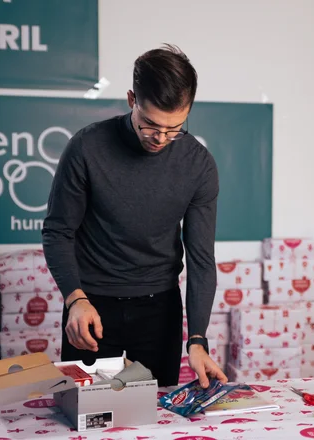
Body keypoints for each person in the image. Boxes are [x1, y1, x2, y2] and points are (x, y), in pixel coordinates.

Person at [41, 44, 227, 388]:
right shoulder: (86, 147)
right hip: (90, 307)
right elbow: (58, 231)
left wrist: (197, 340)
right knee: (87, 417)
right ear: (132, 100)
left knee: (155, 420)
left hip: (160, 312)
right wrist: (74, 299)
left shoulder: (199, 164)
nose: (160, 138)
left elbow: (202, 259)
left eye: (175, 129)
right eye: (150, 125)